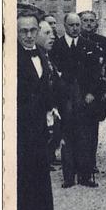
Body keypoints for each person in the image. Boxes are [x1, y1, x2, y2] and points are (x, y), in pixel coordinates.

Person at [17, 10, 64, 210]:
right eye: (23, 31)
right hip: (14, 134)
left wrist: (51, 108)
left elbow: (47, 88)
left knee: (41, 185)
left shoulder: (43, 55)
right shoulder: (7, 57)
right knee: (13, 187)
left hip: (37, 133)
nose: (28, 35)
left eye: (32, 30)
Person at [52, 13, 104, 188]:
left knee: (85, 137)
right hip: (65, 99)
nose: (75, 28)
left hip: (84, 99)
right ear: (64, 26)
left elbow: (97, 73)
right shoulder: (56, 46)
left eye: (77, 25)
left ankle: (85, 175)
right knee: (67, 137)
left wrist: (92, 93)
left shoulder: (89, 46)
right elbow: (53, 74)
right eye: (71, 25)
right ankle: (68, 176)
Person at [79, 10, 106, 171]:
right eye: (85, 20)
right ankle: (77, 163)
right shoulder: (75, 41)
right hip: (78, 92)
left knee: (92, 129)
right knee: (77, 128)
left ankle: (91, 163)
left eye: (92, 20)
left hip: (96, 92)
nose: (89, 23)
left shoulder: (102, 41)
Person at [36, 20, 62, 169]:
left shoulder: (46, 55)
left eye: (52, 33)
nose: (52, 37)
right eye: (47, 33)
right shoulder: (35, 57)